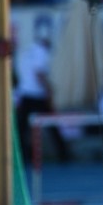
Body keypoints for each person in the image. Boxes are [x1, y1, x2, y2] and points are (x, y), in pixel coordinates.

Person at [15, 21, 71, 163]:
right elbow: (39, 74)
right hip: (38, 95)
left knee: (22, 129)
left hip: (25, 94)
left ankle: (22, 156)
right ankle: (63, 154)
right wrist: (50, 90)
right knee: (52, 125)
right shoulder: (41, 51)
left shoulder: (27, 51)